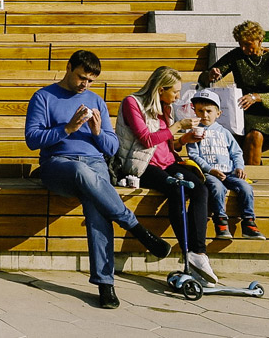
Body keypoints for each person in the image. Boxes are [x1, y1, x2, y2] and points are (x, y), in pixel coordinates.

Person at [25, 50, 171, 309]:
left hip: (95, 163)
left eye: (91, 81)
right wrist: (67, 129)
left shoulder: (96, 100)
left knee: (98, 208)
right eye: (82, 77)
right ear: (69, 68)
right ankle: (136, 228)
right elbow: (32, 140)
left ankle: (106, 285)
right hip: (59, 165)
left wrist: (96, 132)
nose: (85, 85)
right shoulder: (44, 97)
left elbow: (111, 147)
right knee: (84, 175)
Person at [114, 65, 218, 285]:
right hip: (141, 164)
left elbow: (165, 144)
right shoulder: (132, 103)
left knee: (200, 188)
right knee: (177, 188)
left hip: (168, 161)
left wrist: (182, 141)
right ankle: (189, 250)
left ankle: (198, 254)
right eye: (175, 92)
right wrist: (178, 125)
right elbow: (146, 139)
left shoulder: (166, 107)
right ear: (160, 89)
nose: (179, 96)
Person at [198, 20, 269, 166]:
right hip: (248, 111)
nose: (244, 48)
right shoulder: (236, 55)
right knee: (255, 135)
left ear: (260, 40)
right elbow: (204, 77)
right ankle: (249, 177)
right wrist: (210, 75)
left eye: (247, 44)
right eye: (241, 44)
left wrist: (257, 97)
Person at [185, 90, 265, 241]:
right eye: (200, 111)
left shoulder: (225, 133)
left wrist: (239, 167)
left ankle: (248, 222)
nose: (205, 115)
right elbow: (193, 155)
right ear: (194, 111)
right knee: (217, 188)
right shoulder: (194, 132)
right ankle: (221, 222)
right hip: (210, 173)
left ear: (218, 113)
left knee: (246, 188)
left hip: (229, 172)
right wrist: (210, 170)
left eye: (209, 111)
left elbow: (236, 152)